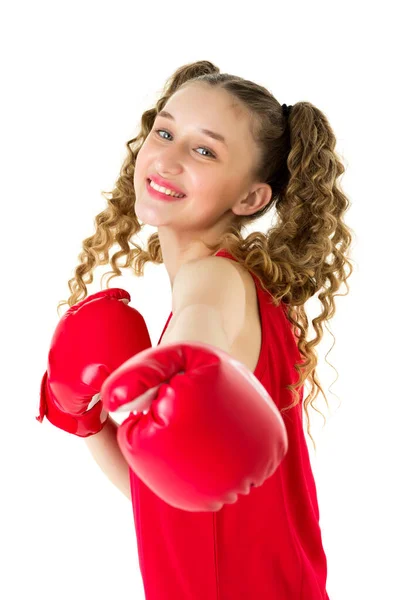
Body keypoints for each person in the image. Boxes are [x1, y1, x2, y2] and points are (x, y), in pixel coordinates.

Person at [37, 60, 354, 599]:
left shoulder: (215, 279)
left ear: (251, 198)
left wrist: (177, 361)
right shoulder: (241, 285)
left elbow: (198, 332)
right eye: (164, 132)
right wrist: (89, 424)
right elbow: (169, 494)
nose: (168, 157)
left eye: (204, 150)